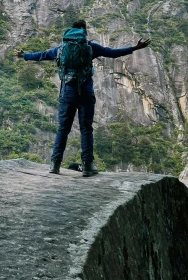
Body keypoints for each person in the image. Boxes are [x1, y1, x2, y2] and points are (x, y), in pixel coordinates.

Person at [16, 19, 151, 177]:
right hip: (86, 94)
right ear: (83, 31)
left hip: (67, 93)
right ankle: (87, 166)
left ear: (71, 31)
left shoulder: (61, 48)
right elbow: (112, 53)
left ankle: (55, 164)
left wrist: (24, 55)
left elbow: (43, 55)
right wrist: (135, 47)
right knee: (86, 129)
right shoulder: (90, 47)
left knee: (62, 129)